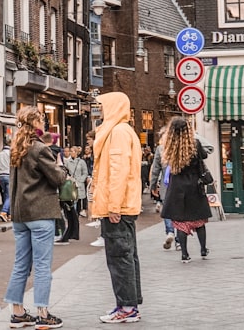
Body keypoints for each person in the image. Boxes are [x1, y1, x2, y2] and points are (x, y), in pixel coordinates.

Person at [2, 107, 68, 330]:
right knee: (42, 265)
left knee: (21, 264)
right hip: (40, 213)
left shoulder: (15, 149)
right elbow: (58, 178)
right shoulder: (40, 149)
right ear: (35, 123)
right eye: (41, 119)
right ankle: (43, 313)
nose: (44, 123)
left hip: (20, 215)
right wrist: (61, 165)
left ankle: (17, 313)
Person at [92, 91, 143, 325]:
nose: (99, 110)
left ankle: (127, 308)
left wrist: (113, 206)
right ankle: (128, 303)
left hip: (117, 207)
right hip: (123, 206)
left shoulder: (117, 133)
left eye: (102, 106)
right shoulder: (123, 131)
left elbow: (117, 171)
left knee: (119, 257)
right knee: (127, 256)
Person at [159, 116, 212, 269]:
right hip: (194, 186)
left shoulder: (168, 146)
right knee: (199, 220)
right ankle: (203, 249)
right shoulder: (195, 144)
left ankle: (184, 254)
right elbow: (204, 155)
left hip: (177, 188)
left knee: (181, 222)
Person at [148, 125, 177, 250]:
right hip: (180, 184)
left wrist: (153, 186)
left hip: (166, 185)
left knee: (167, 209)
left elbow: (155, 170)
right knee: (179, 211)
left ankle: (170, 231)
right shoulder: (180, 148)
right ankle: (180, 240)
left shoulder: (160, 149)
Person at [58, 146, 89, 243]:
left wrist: (79, 181)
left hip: (78, 186)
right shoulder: (67, 162)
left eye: (72, 151)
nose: (71, 153)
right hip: (69, 187)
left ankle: (71, 232)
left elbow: (85, 173)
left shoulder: (81, 162)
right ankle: (71, 232)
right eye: (70, 151)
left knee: (73, 208)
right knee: (71, 208)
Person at [0, 139, 11, 222]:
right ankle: (4, 212)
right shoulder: (10, 154)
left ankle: (9, 215)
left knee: (5, 195)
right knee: (10, 196)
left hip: (1, 176)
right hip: (9, 175)